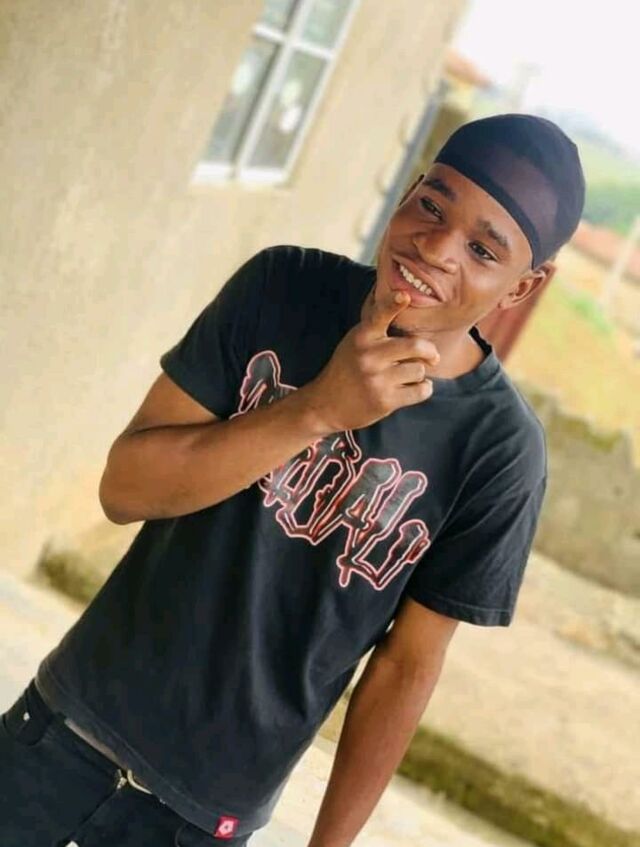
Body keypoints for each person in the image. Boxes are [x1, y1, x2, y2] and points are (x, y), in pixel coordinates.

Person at [1, 113, 585, 846]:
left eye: (482, 248)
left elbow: (405, 667)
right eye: (432, 204)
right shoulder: (283, 288)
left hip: (200, 820)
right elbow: (124, 489)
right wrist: (316, 410)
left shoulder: (499, 451)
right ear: (411, 188)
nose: (435, 247)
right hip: (58, 731)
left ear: (523, 285)